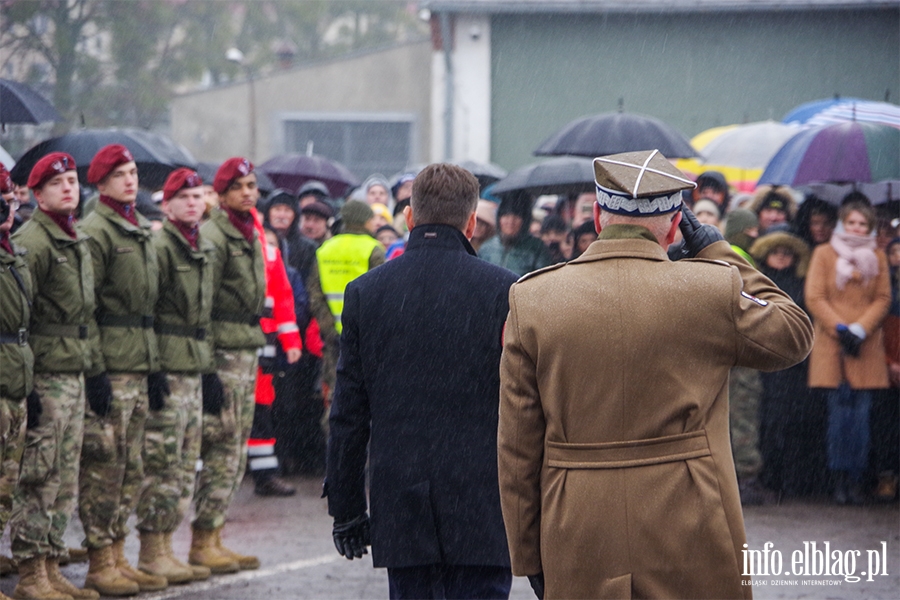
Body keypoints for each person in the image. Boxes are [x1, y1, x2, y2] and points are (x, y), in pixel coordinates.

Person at [498, 150, 813, 599]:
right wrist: (715, 249)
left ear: (598, 214)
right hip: (690, 518)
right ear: (673, 224)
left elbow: (517, 448)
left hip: (578, 523)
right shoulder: (709, 288)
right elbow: (794, 333)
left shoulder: (534, 299)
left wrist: (528, 554)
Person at [326, 163, 518, 600]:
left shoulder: (367, 293)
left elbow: (349, 413)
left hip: (403, 497)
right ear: (472, 222)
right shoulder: (505, 290)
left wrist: (347, 509)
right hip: (481, 500)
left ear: (409, 217)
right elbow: (524, 406)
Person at [78, 144, 167, 594]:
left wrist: (154, 364)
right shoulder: (96, 230)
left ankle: (116, 552)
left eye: (133, 172)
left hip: (138, 358)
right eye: (120, 174)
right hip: (112, 362)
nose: (130, 180)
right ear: (100, 182)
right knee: (105, 466)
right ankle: (98, 559)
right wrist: (95, 370)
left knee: (131, 464)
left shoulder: (135, 226)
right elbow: (86, 306)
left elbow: (147, 305)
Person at [134, 168, 214, 584]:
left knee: (185, 463)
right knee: (161, 460)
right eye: (182, 197)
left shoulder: (197, 244)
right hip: (168, 362)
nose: (192, 203)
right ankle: (151, 548)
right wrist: (154, 368)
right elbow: (149, 309)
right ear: (166, 205)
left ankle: (166, 543)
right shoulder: (162, 245)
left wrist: (210, 368)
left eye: (198, 195)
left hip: (193, 364)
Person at [192, 157, 266, 572]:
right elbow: (201, 305)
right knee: (220, 444)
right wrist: (207, 368)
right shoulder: (214, 235)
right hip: (222, 349)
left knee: (235, 449)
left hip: (244, 345)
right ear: (220, 195)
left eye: (252, 185)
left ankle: (214, 534)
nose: (248, 192)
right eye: (238, 186)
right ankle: (202, 538)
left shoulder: (246, 231)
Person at [805, 197, 891, 505]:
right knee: (838, 418)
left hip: (865, 346)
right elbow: (815, 297)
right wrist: (841, 329)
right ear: (843, 223)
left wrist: (859, 329)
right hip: (833, 345)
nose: (856, 228)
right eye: (851, 222)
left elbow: (882, 298)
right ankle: (838, 480)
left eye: (862, 224)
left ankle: (856, 480)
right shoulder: (824, 253)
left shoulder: (878, 256)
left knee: (861, 419)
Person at [749, 231, 819, 497]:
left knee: (794, 423)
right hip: (765, 361)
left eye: (786, 252)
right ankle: (769, 476)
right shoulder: (757, 281)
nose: (781, 257)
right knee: (768, 420)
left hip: (795, 366)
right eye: (776, 251)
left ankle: (792, 480)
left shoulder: (801, 284)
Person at [1, 164, 35, 599]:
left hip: (14, 377)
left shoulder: (11, 251)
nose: (11, 208)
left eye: (11, 200)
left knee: (5, 487)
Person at [316, 200, 385, 334]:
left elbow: (315, 295)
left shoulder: (325, 248)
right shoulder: (373, 248)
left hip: (331, 335)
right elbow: (380, 293)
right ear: (364, 221)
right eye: (371, 219)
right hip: (363, 332)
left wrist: (329, 329)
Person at [478, 194, 552, 277]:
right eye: (506, 216)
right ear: (499, 218)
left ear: (525, 221)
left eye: (516, 217)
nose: (510, 222)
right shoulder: (487, 248)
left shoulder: (536, 248)